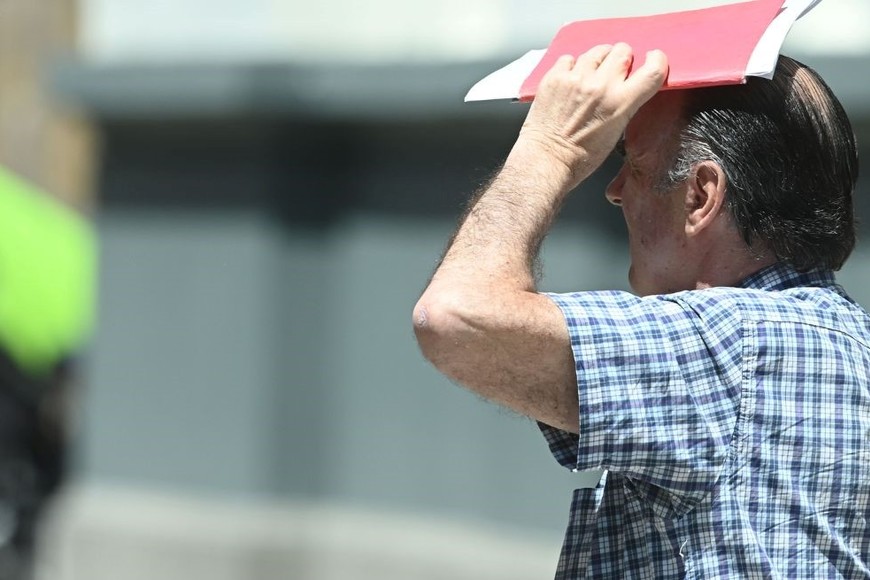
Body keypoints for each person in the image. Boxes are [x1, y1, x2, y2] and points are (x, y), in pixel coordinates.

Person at [413, 43, 869, 578]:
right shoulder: (847, 342)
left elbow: (456, 317)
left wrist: (552, 148)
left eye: (633, 163)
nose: (614, 190)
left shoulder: (732, 344)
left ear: (700, 196)